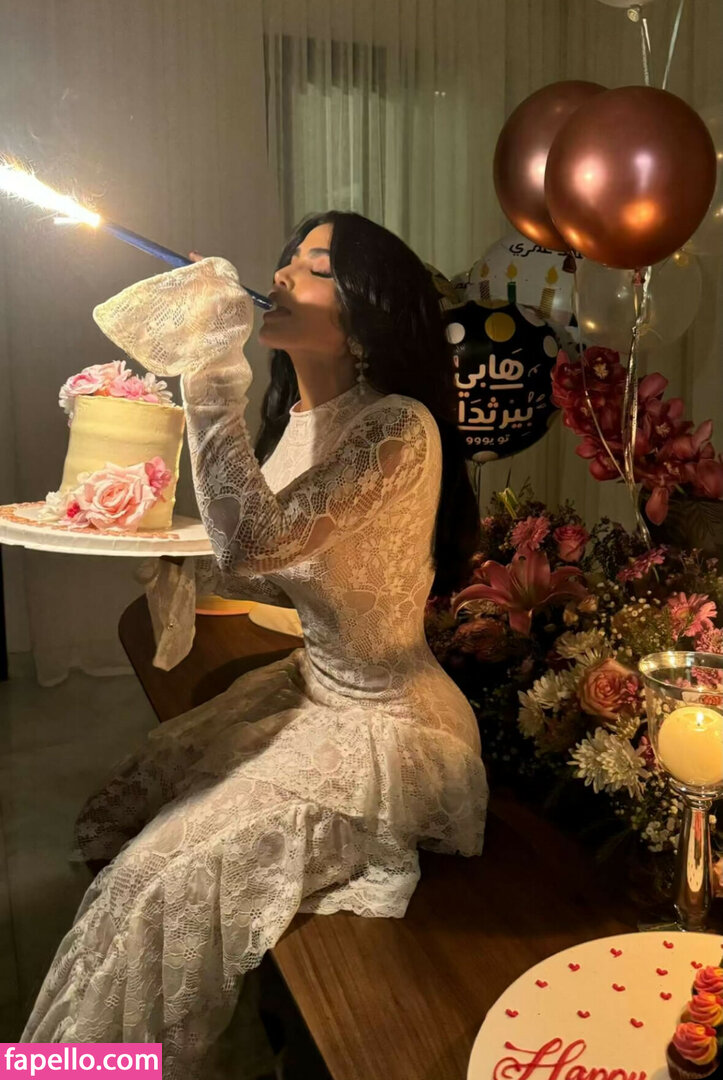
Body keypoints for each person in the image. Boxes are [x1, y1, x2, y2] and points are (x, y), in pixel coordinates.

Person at [22, 211, 488, 1077]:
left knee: (152, 884)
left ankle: (85, 1068)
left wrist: (206, 369)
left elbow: (252, 544)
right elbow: (267, 570)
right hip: (313, 689)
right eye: (286, 259)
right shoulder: (306, 419)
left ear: (368, 311)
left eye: (316, 266)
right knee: (127, 805)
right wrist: (153, 538)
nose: (279, 276)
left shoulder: (396, 427)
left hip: (388, 728)